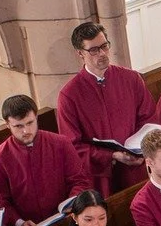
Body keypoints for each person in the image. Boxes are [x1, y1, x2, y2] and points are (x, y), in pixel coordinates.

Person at [55, 21, 154, 193]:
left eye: (104, 46)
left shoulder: (131, 78)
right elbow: (72, 146)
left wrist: (141, 148)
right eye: (93, 50)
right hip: (102, 179)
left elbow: (149, 119)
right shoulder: (69, 95)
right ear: (80, 53)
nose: (101, 53)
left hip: (138, 166)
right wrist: (111, 155)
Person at [0, 94, 90, 226]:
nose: (26, 131)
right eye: (18, 126)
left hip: (69, 221)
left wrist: (72, 205)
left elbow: (79, 180)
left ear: (36, 118)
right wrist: (20, 223)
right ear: (7, 125)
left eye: (30, 123)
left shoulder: (61, 143)